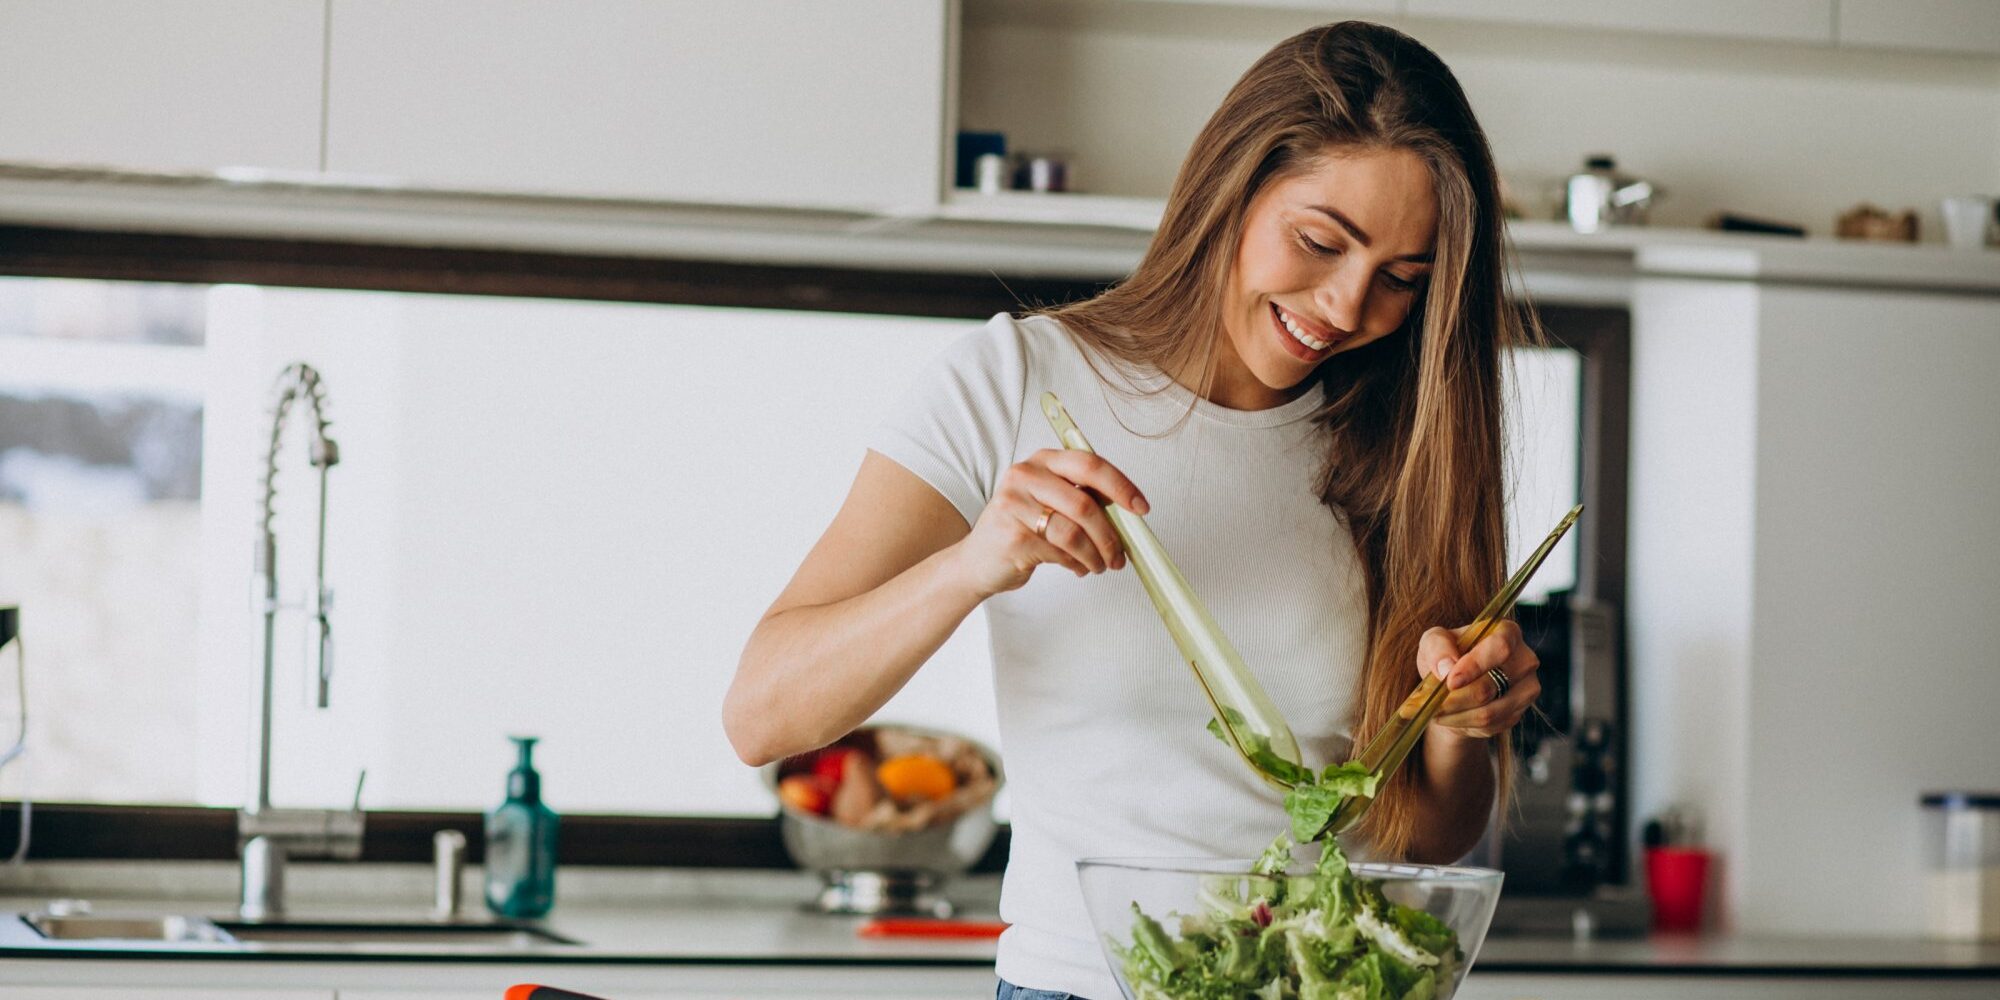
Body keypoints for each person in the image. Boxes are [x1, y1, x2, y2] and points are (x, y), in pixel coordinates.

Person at [725, 20, 1542, 1000]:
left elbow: (1428, 835)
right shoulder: (1015, 380)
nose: (1343, 305)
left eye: (1399, 280)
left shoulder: (1412, 445)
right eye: (1318, 242)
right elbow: (763, 713)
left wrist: (1457, 724)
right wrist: (975, 561)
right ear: (1231, 190)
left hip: (1319, 983)